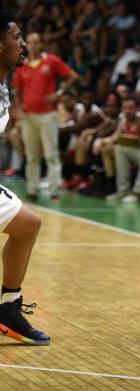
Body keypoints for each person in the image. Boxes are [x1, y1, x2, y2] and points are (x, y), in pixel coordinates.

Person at [0, 11, 49, 345]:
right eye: (16, 37)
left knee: (27, 225)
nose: (22, 44)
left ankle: (8, 308)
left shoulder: (4, 81)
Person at [12, 32, 79, 201]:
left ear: (41, 44)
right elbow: (17, 91)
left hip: (48, 114)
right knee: (32, 155)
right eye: (31, 42)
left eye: (37, 42)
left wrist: (59, 93)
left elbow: (72, 76)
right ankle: (32, 190)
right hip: (28, 116)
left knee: (51, 154)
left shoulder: (51, 61)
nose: (34, 45)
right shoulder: (22, 65)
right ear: (26, 45)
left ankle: (54, 190)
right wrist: (19, 109)